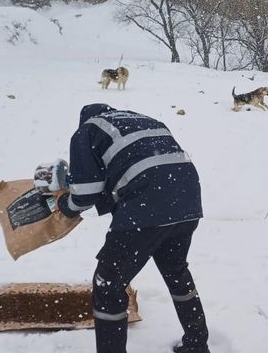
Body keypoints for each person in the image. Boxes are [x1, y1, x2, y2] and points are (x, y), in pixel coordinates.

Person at [40, 103, 210, 353]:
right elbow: (139, 168)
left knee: (108, 284)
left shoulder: (86, 131)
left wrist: (65, 204)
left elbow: (87, 193)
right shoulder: (142, 120)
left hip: (147, 207)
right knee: (176, 271)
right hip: (187, 200)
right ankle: (197, 343)